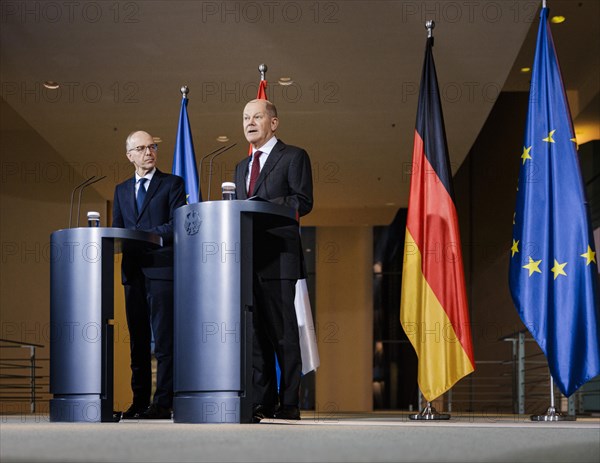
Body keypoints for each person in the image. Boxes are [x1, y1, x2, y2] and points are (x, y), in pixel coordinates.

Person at [234, 99, 313, 421]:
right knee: (255, 336)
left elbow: (302, 201)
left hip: (279, 259)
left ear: (274, 123)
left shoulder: (293, 156)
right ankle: (261, 400)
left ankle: (290, 402)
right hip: (248, 260)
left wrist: (260, 203)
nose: (249, 122)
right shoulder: (241, 166)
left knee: (283, 334)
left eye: (256, 116)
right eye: (245, 118)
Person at [112, 130, 186, 419]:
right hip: (133, 272)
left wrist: (144, 235)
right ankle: (139, 401)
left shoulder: (172, 184)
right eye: (141, 148)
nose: (149, 152)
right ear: (130, 156)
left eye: (152, 146)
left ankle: (163, 401)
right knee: (138, 342)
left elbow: (176, 225)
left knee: (165, 342)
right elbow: (119, 229)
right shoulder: (120, 190)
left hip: (161, 271)